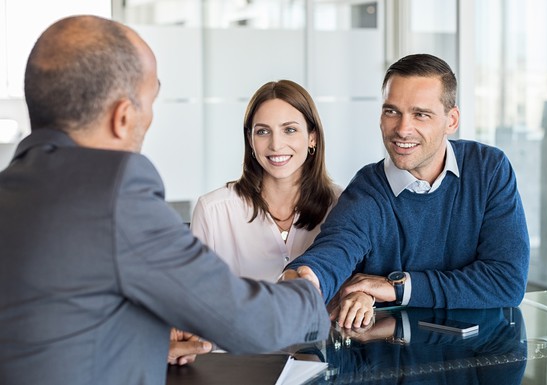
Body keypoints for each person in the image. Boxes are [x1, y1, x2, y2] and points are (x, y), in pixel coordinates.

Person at [0, 15, 329, 385]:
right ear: (123, 117)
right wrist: (310, 291)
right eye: (149, 101)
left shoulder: (12, 188)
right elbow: (248, 321)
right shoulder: (113, 191)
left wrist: (151, 341)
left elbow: (65, 327)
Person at [281, 53, 530, 328]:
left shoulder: (488, 170)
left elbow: (506, 281)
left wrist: (398, 287)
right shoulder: (368, 191)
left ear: (452, 120)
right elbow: (335, 250)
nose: (402, 129)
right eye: (392, 112)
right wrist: (307, 279)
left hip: (478, 356)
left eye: (420, 114)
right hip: (394, 358)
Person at [190, 79, 341, 282]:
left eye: (289, 130)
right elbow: (195, 300)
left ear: (312, 137)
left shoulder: (341, 204)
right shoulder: (213, 211)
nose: (276, 145)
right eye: (263, 131)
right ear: (251, 140)